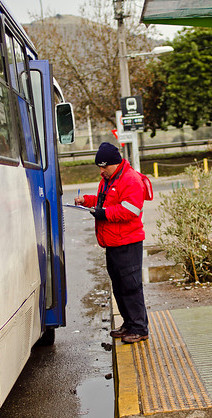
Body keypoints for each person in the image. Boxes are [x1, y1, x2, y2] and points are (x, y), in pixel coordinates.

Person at [74, 142, 150, 344]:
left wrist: (104, 214)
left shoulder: (130, 179)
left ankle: (139, 328)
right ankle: (128, 324)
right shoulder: (109, 179)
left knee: (131, 287)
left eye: (104, 166)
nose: (101, 170)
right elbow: (104, 201)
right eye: (99, 166)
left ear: (115, 163)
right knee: (119, 286)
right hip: (113, 242)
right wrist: (86, 201)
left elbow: (131, 210)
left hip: (128, 242)